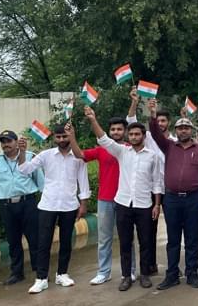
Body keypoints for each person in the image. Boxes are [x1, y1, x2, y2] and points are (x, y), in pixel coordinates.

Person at [82, 107, 162, 291]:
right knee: (125, 242)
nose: (134, 137)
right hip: (124, 203)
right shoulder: (121, 152)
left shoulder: (153, 156)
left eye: (137, 134)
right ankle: (126, 276)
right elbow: (103, 139)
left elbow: (157, 182)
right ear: (128, 135)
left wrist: (157, 205)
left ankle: (144, 275)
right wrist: (93, 119)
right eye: (131, 134)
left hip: (144, 204)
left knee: (145, 242)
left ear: (143, 136)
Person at [148, 98, 198, 290]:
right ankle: (172, 274)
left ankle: (192, 273)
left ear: (191, 130)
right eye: (180, 128)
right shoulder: (169, 146)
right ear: (176, 131)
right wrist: (153, 114)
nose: (183, 130)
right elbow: (154, 133)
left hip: (194, 198)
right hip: (172, 199)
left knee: (193, 238)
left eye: (186, 128)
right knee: (173, 238)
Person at [18, 123, 90, 294]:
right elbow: (24, 169)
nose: (62, 139)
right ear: (54, 138)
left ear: (70, 136)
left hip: (69, 205)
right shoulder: (46, 155)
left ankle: (62, 274)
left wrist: (83, 204)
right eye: (58, 137)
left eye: (65, 136)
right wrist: (22, 152)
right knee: (44, 242)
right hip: (48, 205)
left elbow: (84, 181)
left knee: (66, 241)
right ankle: (41, 278)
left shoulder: (79, 156)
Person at [70, 116, 125, 286]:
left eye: (119, 129)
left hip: (125, 200)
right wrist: (71, 136)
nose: (116, 132)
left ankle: (128, 271)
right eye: (113, 129)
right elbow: (79, 154)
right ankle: (103, 272)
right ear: (109, 132)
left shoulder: (130, 149)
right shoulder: (101, 149)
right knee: (104, 238)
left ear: (125, 131)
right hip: (105, 200)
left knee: (126, 238)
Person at [0, 131, 43, 286]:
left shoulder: (31, 157)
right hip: (6, 206)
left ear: (17, 141)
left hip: (28, 203)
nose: (5, 144)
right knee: (13, 241)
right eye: (3, 141)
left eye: (9, 141)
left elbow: (42, 184)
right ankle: (17, 273)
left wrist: (47, 208)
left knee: (34, 239)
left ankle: (40, 272)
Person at [126, 87, 165, 274]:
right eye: (158, 120)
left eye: (164, 121)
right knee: (150, 230)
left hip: (169, 189)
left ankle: (172, 266)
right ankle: (150, 265)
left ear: (168, 123)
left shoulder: (173, 141)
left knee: (171, 230)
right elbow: (131, 121)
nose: (161, 123)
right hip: (150, 190)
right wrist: (135, 101)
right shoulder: (147, 137)